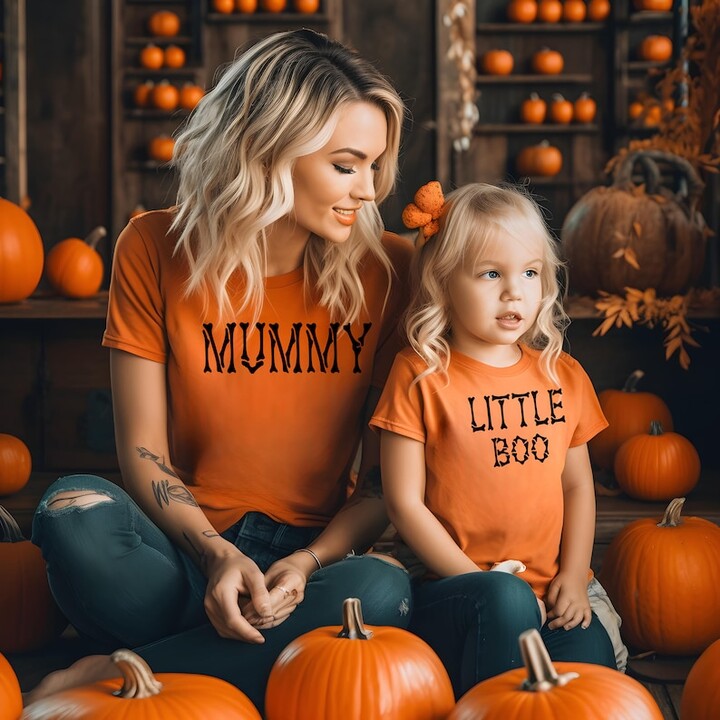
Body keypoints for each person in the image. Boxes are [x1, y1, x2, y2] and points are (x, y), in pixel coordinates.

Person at [27, 28, 413, 714]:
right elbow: (142, 450)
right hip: (177, 545)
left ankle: (116, 678)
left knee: (381, 588)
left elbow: (381, 486)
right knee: (70, 512)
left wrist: (308, 563)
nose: (370, 189)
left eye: (376, 165)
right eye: (347, 165)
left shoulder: (391, 270)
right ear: (269, 150)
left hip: (307, 561)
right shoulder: (151, 246)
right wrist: (215, 556)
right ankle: (251, 652)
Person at [369, 181, 627, 699]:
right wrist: (483, 582)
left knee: (593, 665)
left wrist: (574, 578)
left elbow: (577, 488)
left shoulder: (562, 374)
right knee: (505, 608)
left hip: (551, 587)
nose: (515, 292)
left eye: (530, 273)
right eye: (491, 274)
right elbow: (404, 503)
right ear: (443, 282)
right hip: (452, 586)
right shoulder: (420, 375)